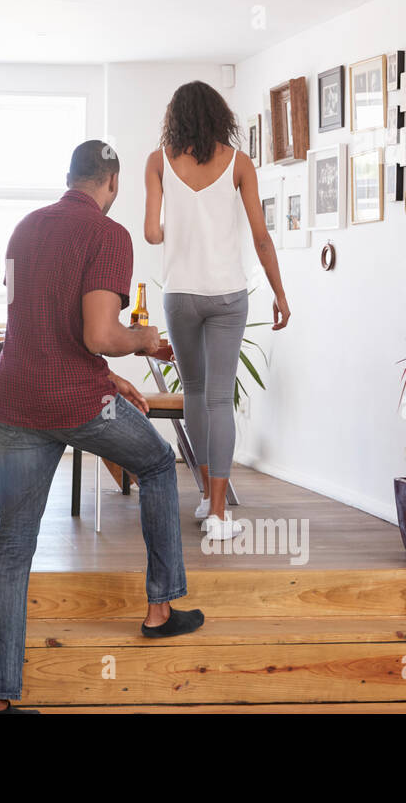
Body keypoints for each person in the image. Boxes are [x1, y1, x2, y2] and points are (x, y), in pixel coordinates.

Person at [0, 140, 204, 714]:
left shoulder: (24, 229)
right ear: (114, 183)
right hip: (76, 402)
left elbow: (43, 323)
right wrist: (144, 342)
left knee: (12, 548)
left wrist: (108, 376)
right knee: (154, 464)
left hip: (17, 400)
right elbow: (100, 335)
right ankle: (159, 610)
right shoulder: (109, 235)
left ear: (69, 176)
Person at [143, 81, 291, 540]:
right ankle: (220, 515)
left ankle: (207, 494)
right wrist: (279, 293)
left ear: (176, 117)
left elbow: (151, 234)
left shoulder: (158, 161)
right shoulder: (239, 163)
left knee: (194, 391)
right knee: (219, 398)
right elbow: (261, 236)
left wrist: (180, 224)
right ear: (218, 117)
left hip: (180, 294)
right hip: (228, 296)